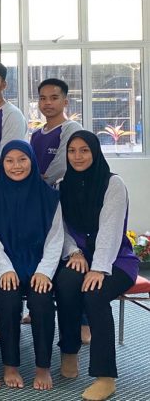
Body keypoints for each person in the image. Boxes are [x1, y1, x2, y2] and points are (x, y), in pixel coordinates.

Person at [54, 131, 138, 401]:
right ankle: (69, 350)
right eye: (72, 151)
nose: (77, 156)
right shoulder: (61, 185)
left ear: (95, 152)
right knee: (66, 283)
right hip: (79, 255)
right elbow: (60, 228)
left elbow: (110, 230)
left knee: (95, 293)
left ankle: (105, 377)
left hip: (116, 259)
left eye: (84, 150)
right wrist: (74, 252)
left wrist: (99, 267)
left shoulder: (113, 183)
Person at [0, 140, 63, 391]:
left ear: (32, 161)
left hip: (40, 263)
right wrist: (5, 269)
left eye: (22, 159)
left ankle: (43, 367)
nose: (16, 166)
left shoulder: (49, 196)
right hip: (4, 263)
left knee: (41, 301)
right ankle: (10, 365)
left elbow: (55, 238)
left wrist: (44, 271)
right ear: (2, 163)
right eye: (9, 161)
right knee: (8, 299)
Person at [30, 78, 82, 185]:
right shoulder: (36, 134)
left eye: (54, 98)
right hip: (36, 191)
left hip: (63, 191)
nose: (47, 103)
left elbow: (62, 165)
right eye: (43, 98)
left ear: (65, 102)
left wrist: (39, 182)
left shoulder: (72, 128)